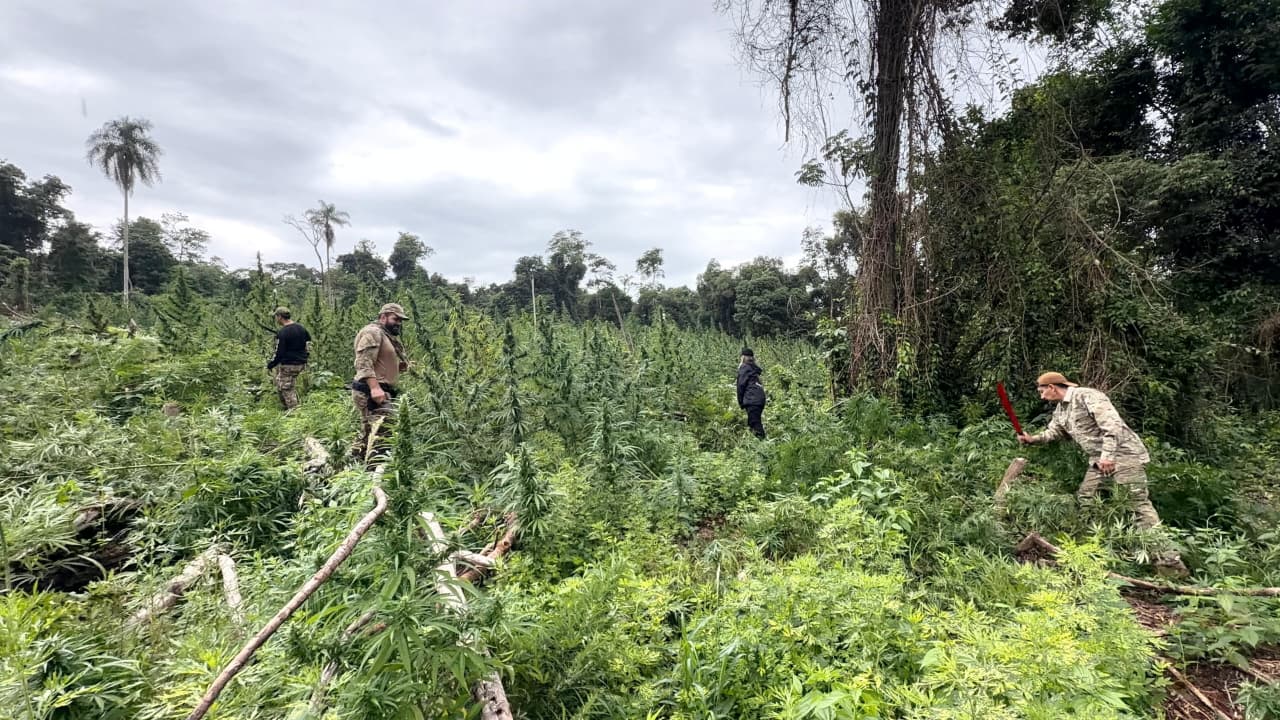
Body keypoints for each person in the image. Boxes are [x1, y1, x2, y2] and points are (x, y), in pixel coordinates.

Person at [1018, 371, 1188, 575]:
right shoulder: (1061, 409)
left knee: (1137, 505)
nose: (1041, 396)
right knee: (1086, 498)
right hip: (1098, 462)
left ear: (1052, 388)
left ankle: (1170, 564)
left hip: (1124, 456)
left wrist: (1108, 456)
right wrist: (1032, 439)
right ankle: (1102, 550)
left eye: (1042, 391)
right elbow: (1054, 432)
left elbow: (1112, 426)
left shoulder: (1088, 396)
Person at [351, 302, 411, 462]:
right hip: (372, 391)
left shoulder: (384, 334)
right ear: (383, 317)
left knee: (369, 434)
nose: (398, 323)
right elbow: (363, 362)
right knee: (383, 434)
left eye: (400, 320)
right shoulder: (373, 332)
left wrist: (397, 367)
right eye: (395, 319)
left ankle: (352, 467)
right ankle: (373, 473)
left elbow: (378, 361)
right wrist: (375, 388)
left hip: (379, 390)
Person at [266, 307, 310, 410]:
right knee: (280, 383)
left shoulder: (283, 333)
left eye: (276, 317)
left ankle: (295, 413)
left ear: (280, 317)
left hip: (289, 365)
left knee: (286, 388)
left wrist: (271, 364)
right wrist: (305, 357)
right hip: (301, 363)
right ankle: (286, 409)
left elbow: (279, 353)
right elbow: (308, 342)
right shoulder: (301, 328)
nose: (276, 319)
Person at [736, 348, 767, 439]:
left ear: (743, 357)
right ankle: (756, 445)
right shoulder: (753, 369)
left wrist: (741, 402)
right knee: (753, 423)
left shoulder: (744, 367)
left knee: (754, 424)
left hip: (752, 399)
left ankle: (764, 446)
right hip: (760, 399)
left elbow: (741, 386)